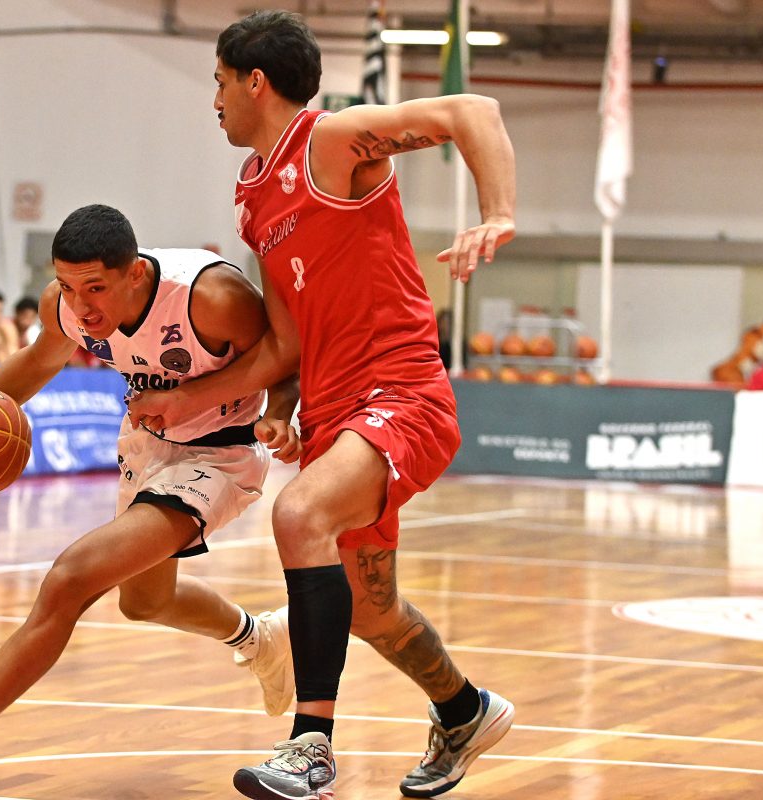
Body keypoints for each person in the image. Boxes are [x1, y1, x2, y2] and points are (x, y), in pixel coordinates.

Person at [129, 11, 518, 799]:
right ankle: (463, 709)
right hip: (335, 411)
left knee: (299, 514)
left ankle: (311, 746)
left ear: (256, 81)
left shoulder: (332, 141)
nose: (214, 99)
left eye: (219, 81)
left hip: (402, 389)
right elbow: (284, 340)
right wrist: (250, 401)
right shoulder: (252, 198)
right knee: (369, 612)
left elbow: (472, 111)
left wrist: (499, 214)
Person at [0, 204, 301, 795]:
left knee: (71, 578)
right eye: (68, 286)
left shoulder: (211, 296)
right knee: (144, 602)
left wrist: (278, 414)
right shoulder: (66, 306)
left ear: (135, 274)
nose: (81, 305)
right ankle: (261, 639)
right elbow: (39, 359)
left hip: (220, 455)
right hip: (148, 445)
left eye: (95, 287)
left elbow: (283, 358)